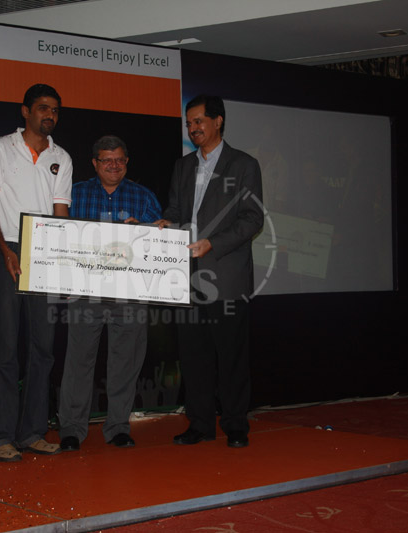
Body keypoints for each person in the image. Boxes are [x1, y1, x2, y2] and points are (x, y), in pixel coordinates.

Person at [155, 95, 264, 448]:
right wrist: (165, 223)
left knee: (231, 357)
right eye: (189, 123)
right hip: (187, 277)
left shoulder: (243, 164)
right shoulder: (183, 166)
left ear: (218, 121)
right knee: (194, 357)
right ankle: (200, 424)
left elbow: (252, 219)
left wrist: (212, 243)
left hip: (226, 277)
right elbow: (176, 211)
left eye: (199, 121)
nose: (193, 128)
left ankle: (235, 425)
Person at [0, 83, 72, 462]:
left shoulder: (61, 157)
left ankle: (32, 432)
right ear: (26, 111)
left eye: (55, 110)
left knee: (43, 349)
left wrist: (61, 257)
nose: (50, 115)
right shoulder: (2, 148)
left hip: (45, 250)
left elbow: (61, 213)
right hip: (10, 248)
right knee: (6, 347)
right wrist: (5, 250)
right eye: (43, 108)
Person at [58, 135, 162, 451]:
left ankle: (118, 427)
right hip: (84, 292)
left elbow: (161, 241)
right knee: (78, 362)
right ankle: (72, 430)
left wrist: (144, 230)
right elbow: (57, 238)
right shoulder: (74, 194)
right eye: (106, 160)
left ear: (126, 162)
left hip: (130, 293)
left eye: (119, 159)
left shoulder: (143, 197)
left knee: (125, 363)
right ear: (95, 163)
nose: (113, 165)